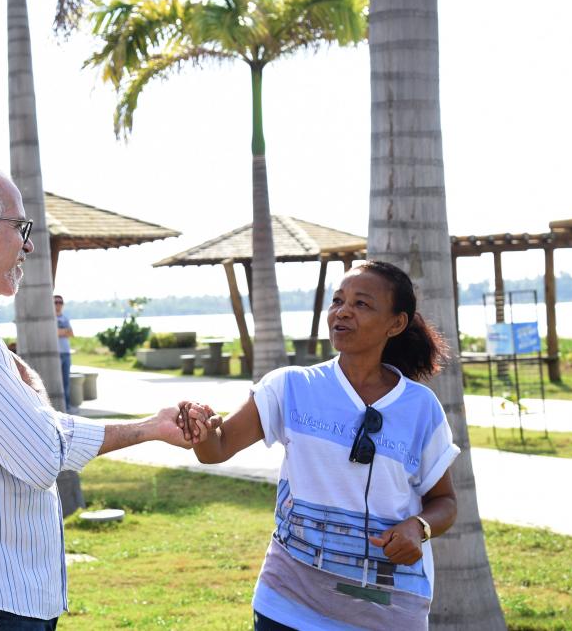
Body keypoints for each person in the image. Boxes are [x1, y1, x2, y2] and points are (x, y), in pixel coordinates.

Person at [0, 164, 209, 631]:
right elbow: (40, 455)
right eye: (20, 228)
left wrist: (147, 427)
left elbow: (28, 435)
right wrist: (145, 429)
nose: (29, 245)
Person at [179, 261, 460, 631]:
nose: (342, 312)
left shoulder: (421, 407)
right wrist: (201, 431)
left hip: (387, 613)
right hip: (287, 604)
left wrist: (418, 527)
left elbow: (445, 502)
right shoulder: (289, 387)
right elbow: (217, 448)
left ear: (396, 324)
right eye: (338, 301)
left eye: (361, 304)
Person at [54, 294, 74, 411]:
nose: (58, 304)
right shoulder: (50, 318)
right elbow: (54, 332)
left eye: (60, 302)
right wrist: (64, 331)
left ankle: (67, 408)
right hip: (55, 355)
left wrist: (60, 332)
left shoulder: (65, 318)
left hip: (66, 353)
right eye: (55, 302)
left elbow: (71, 333)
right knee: (57, 382)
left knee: (66, 382)